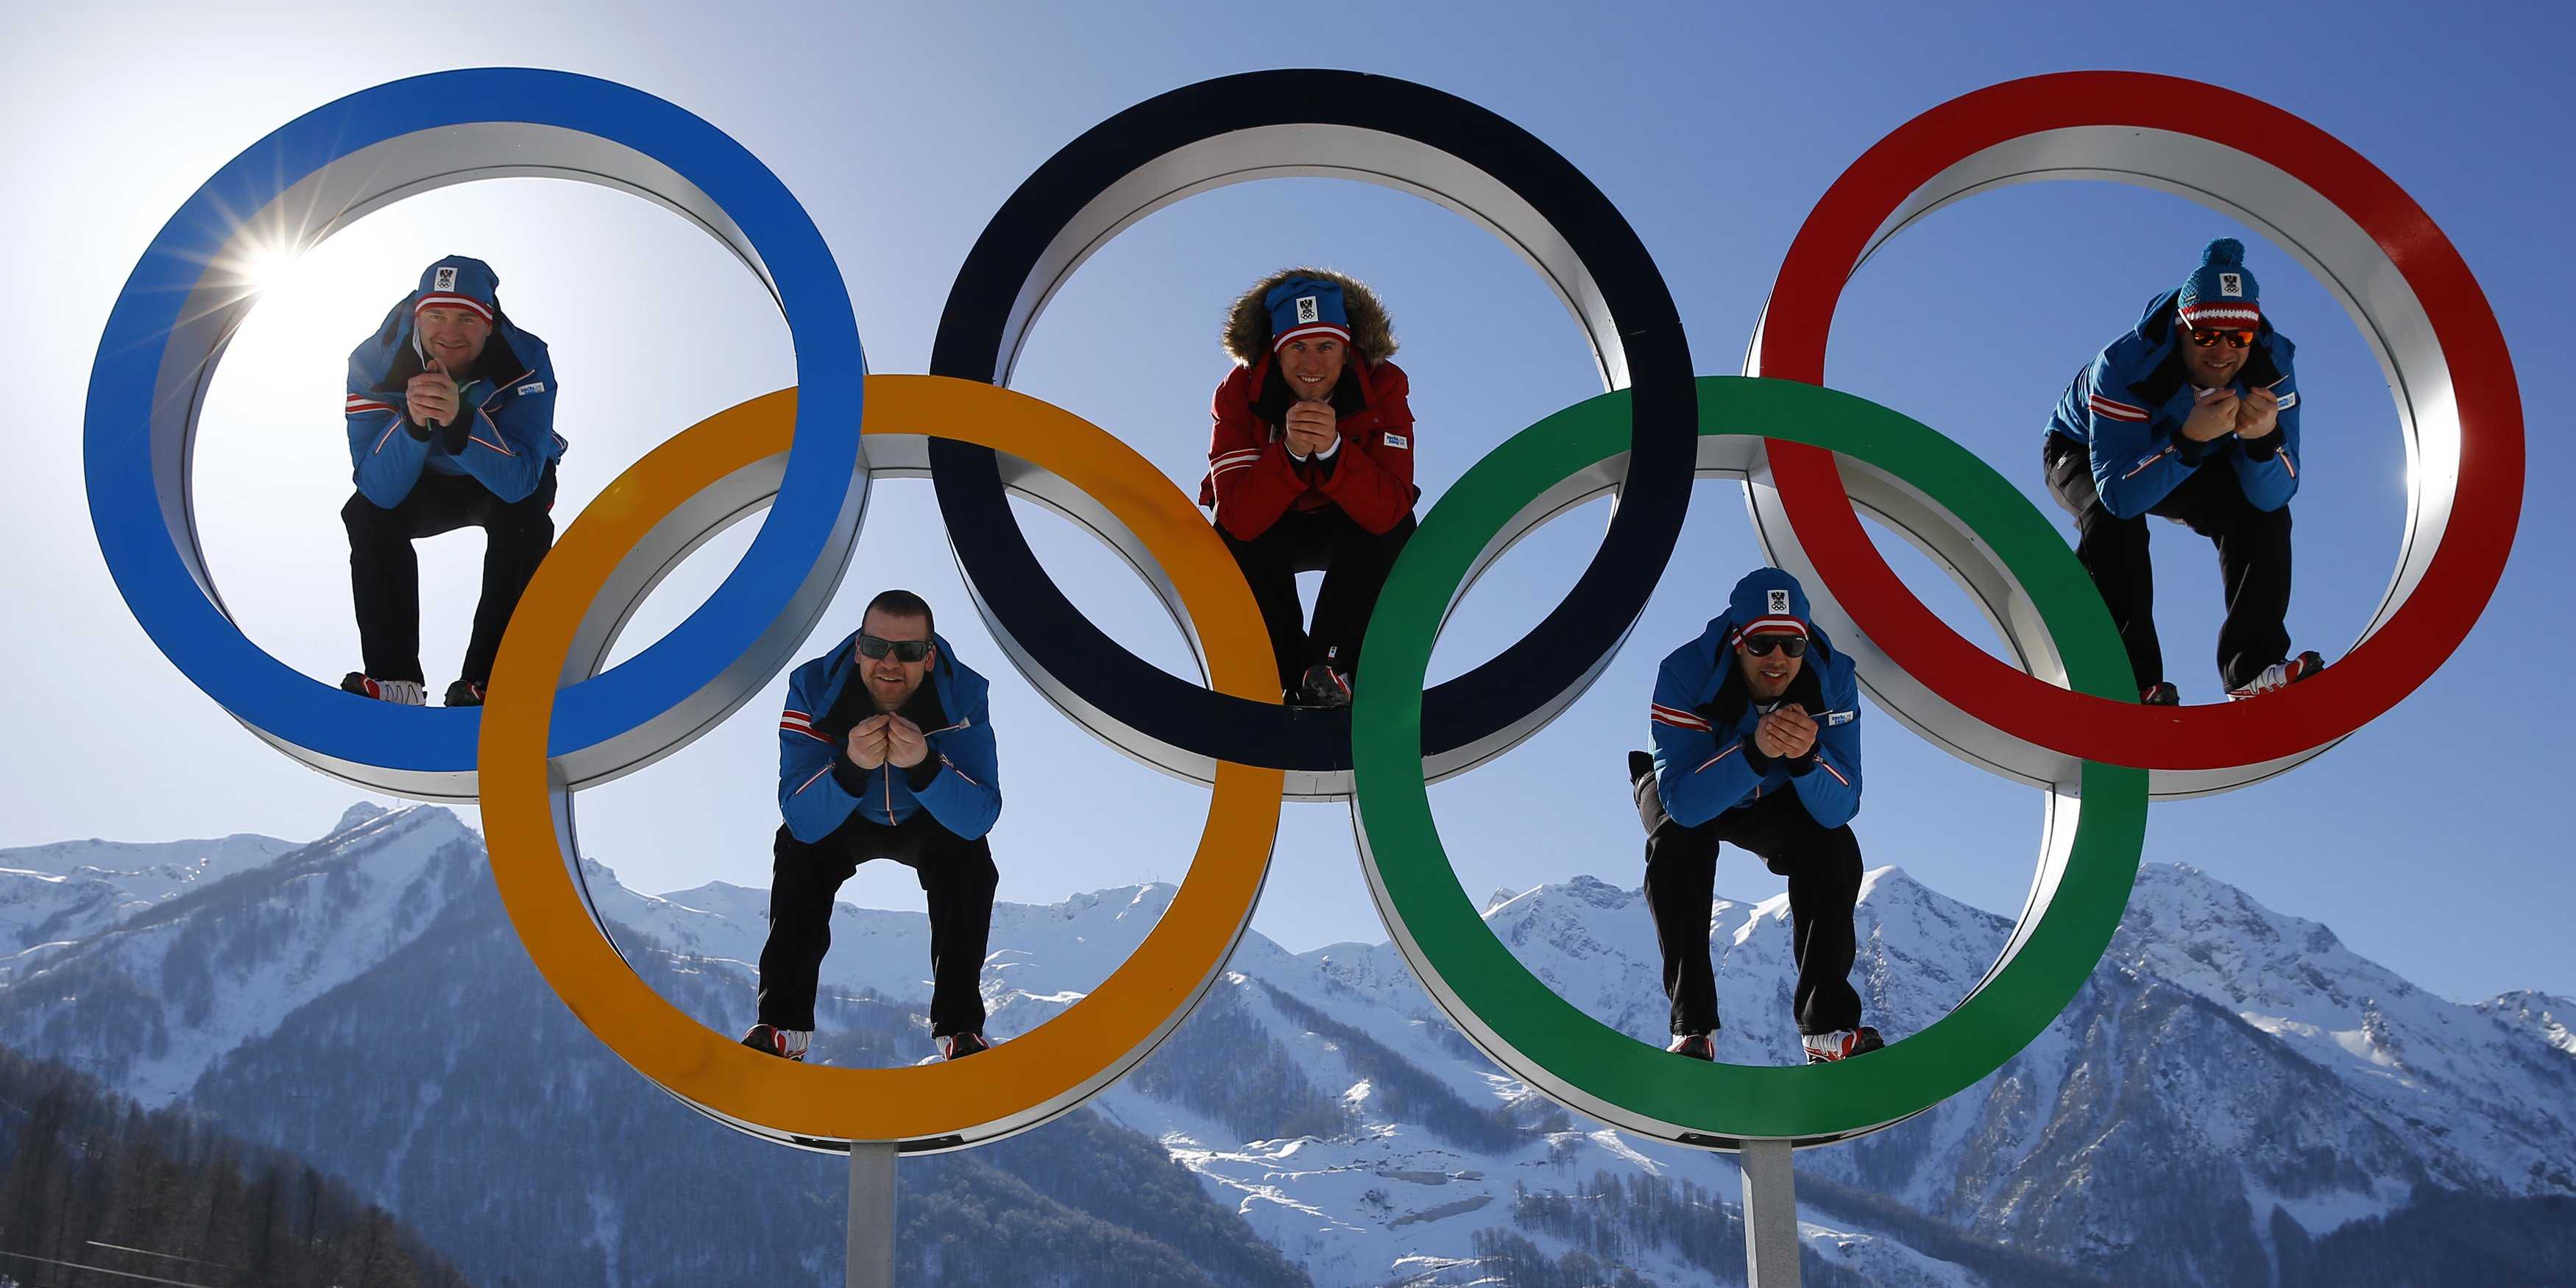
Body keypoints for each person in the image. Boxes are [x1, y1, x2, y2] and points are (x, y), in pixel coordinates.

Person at [2043, 237, 2324, 705]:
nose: (2223, 353)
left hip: (2198, 449)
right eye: (2207, 336)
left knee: (2260, 513)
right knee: (2113, 518)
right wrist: (2187, 441)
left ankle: (2251, 669)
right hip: (2081, 451)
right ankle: (2127, 678)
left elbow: (2276, 493)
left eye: (2239, 338)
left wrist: (2263, 442)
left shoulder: (2273, 365)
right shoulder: (2125, 364)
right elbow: (2120, 494)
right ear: (2181, 327)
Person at [1630, 569, 1881, 1065]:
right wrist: (1754, 750)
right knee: (1679, 844)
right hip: (1689, 783)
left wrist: (1807, 759)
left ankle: (1826, 1029)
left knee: (1834, 848)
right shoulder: (1685, 672)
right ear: (1737, 639)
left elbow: (1841, 807)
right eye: (1762, 643)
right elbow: (1684, 803)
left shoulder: (1834, 678)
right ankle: (1692, 1028)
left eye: (1792, 646)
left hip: (1777, 792)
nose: (1778, 660)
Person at [743, 590, 1003, 1064]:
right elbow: (799, 816)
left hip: (928, 818)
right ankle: (782, 1026)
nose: (889, 663)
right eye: (877, 647)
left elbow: (979, 815)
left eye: (906, 652)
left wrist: (925, 767)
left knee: (969, 858)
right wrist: (849, 768)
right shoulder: (813, 688)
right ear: (858, 647)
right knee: (799, 853)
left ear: (929, 657)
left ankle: (960, 1031)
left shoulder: (964, 694)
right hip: (844, 815)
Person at [338, 256, 567, 707]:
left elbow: (521, 478)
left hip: (504, 478)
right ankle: (395, 680)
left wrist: (461, 420)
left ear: (489, 323)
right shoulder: (374, 362)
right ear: (419, 315)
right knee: (364, 514)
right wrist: (415, 426)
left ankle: (493, 678)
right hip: (424, 477)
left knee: (526, 515)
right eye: (437, 315)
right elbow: (378, 489)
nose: (450, 332)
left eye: (467, 318)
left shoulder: (529, 359)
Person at [1197, 269, 1419, 707]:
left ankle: (1330, 669)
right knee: (1232, 536)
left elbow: (1391, 509)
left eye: (1325, 346)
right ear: (1276, 354)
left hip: (1346, 519)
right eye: (1297, 347)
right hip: (1273, 520)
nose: (1312, 364)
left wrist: (1336, 451)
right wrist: (1291, 455)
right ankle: (1277, 674)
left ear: (1347, 348)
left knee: (1392, 525)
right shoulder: (1239, 392)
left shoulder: (1385, 384)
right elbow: (1238, 518)